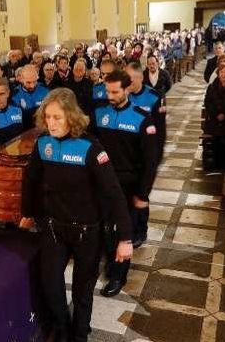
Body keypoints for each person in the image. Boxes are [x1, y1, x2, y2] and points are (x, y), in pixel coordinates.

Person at [19, 88, 132, 342]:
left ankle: (79, 334)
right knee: (50, 283)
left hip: (87, 232)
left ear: (71, 116)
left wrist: (125, 238)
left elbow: (115, 194)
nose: (51, 123)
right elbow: (31, 180)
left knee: (82, 290)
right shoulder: (43, 143)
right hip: (54, 228)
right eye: (47, 117)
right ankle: (62, 327)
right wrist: (28, 212)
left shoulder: (91, 148)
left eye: (57, 117)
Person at [91, 70, 159, 296]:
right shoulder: (99, 112)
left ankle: (118, 275)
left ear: (128, 89)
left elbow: (150, 162)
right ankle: (108, 261)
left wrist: (143, 194)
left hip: (128, 185)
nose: (109, 95)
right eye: (107, 91)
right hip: (102, 181)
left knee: (122, 230)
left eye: (115, 91)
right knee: (104, 228)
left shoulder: (142, 118)